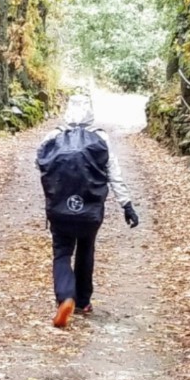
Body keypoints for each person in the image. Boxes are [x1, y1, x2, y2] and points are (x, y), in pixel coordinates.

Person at [36, 94, 138, 328]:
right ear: (90, 112)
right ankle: (82, 301)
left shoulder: (53, 137)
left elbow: (39, 164)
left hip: (59, 209)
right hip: (90, 210)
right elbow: (114, 174)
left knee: (62, 252)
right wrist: (127, 205)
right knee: (86, 248)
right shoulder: (101, 138)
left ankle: (65, 297)